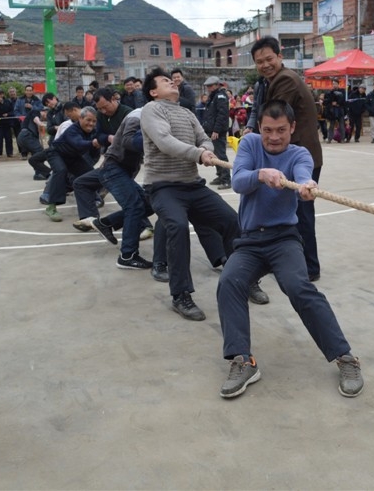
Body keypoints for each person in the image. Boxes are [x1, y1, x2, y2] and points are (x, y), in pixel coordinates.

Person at [216, 100, 364, 399]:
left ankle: (345, 357)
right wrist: (261, 174)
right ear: (259, 128)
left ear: (292, 128)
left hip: (284, 238)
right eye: (268, 130)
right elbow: (238, 181)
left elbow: (304, 172)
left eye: (281, 130)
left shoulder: (299, 153)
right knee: (229, 282)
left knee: (299, 286)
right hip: (249, 240)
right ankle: (242, 361)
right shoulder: (250, 145)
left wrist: (307, 184)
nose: (273, 137)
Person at [140, 67, 241, 321]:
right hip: (163, 186)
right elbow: (164, 141)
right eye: (165, 81)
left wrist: (206, 149)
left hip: (192, 185)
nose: (172, 82)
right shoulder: (152, 110)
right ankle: (181, 295)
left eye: (171, 80)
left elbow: (204, 138)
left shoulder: (186, 112)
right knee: (176, 226)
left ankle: (242, 277)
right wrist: (198, 154)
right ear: (153, 92)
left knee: (231, 220)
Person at [244, 35, 324, 281]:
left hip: (298, 157)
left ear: (280, 56)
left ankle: (309, 268)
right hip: (292, 155)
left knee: (301, 213)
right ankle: (293, 263)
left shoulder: (285, 80)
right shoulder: (271, 81)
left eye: (269, 59)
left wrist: (253, 141)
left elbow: (273, 119)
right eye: (259, 61)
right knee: (290, 212)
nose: (265, 64)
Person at [71, 108, 156, 269]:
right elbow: (127, 141)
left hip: (120, 169)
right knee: (134, 206)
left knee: (148, 204)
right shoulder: (137, 116)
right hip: (113, 168)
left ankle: (106, 223)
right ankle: (127, 255)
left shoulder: (150, 116)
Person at [41, 106, 101, 221]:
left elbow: (96, 147)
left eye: (94, 121)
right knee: (61, 171)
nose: (91, 123)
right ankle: (51, 207)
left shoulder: (94, 131)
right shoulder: (72, 130)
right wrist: (93, 143)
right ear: (80, 119)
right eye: (88, 120)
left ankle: (94, 198)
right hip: (56, 153)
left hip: (73, 157)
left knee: (90, 173)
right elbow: (78, 143)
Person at [202, 76, 231, 189]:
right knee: (216, 155)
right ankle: (220, 176)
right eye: (208, 86)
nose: (209, 88)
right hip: (212, 130)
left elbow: (222, 115)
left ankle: (226, 179)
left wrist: (216, 130)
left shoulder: (220, 96)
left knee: (221, 155)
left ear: (217, 85)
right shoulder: (213, 96)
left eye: (211, 86)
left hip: (217, 131)